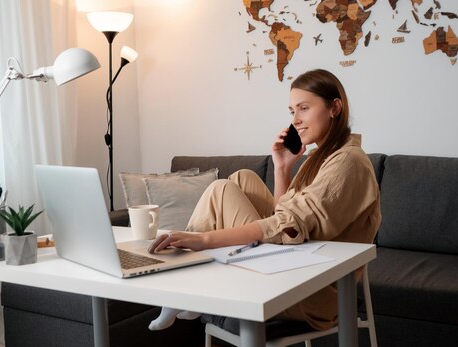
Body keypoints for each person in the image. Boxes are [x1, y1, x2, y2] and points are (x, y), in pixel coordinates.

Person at [148, 68, 381, 332]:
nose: (296, 119)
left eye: (304, 108)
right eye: (292, 111)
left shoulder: (348, 161)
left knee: (221, 189)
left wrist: (203, 240)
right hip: (297, 263)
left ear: (334, 108)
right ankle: (192, 284)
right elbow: (285, 216)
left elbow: (287, 225)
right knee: (242, 178)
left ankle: (186, 284)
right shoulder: (320, 157)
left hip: (313, 287)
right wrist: (281, 168)